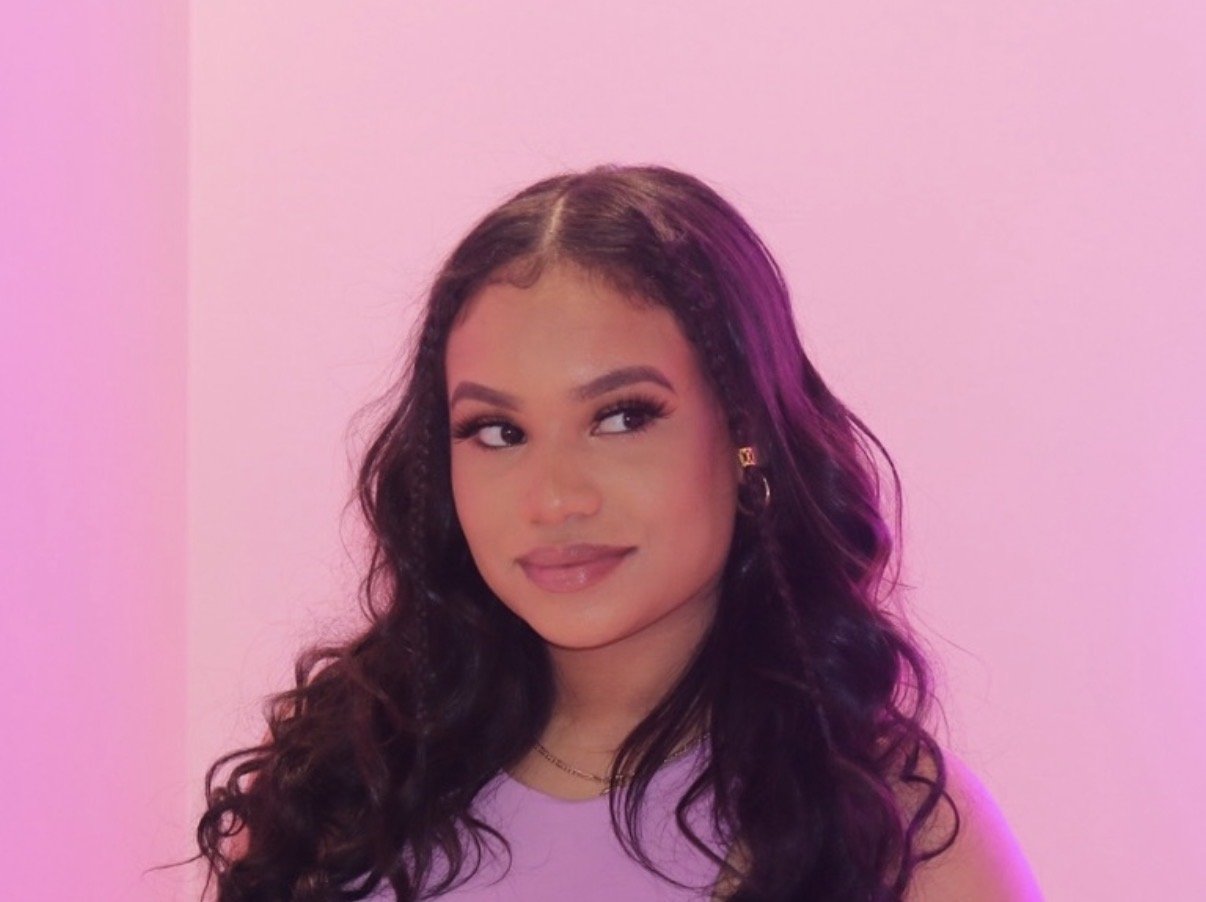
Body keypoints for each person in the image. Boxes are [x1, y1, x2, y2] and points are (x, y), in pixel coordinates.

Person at [195, 164, 1042, 900]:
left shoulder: (896, 841)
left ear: (746, 429)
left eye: (623, 417)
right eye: (497, 431)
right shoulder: (332, 801)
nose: (553, 498)